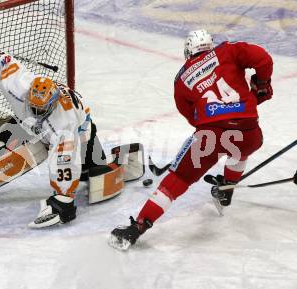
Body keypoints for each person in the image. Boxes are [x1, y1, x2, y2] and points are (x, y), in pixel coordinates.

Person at [109, 29, 273, 249]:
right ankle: (227, 188)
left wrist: (215, 125)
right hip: (251, 132)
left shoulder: (181, 78)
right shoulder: (229, 50)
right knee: (240, 146)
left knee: (178, 179)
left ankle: (137, 227)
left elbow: (191, 116)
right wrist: (261, 85)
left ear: (188, 51)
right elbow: (263, 59)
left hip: (210, 135)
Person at [0, 13, 107, 228]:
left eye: (41, 109)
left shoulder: (64, 126)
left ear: (52, 103)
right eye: (34, 107)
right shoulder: (19, 85)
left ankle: (94, 163)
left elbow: (65, 164)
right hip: (30, 124)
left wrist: (63, 199)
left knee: (79, 154)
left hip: (81, 125)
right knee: (3, 139)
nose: (37, 111)